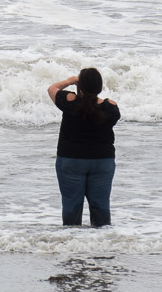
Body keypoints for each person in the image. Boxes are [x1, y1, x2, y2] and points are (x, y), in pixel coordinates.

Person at [47, 68, 121, 227]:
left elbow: (52, 89)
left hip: (70, 160)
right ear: (99, 86)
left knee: (71, 206)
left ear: (79, 85)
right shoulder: (110, 107)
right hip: (102, 161)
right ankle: (102, 245)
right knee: (101, 206)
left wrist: (70, 80)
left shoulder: (69, 102)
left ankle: (74, 243)